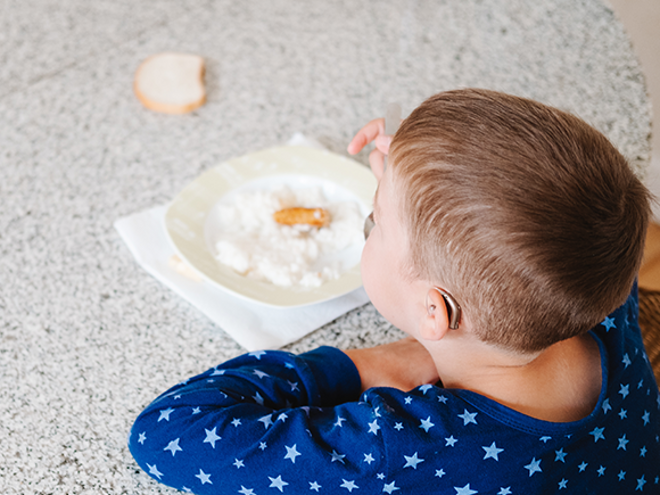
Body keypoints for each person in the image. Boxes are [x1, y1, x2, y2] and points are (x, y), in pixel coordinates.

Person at [128, 89, 659, 494]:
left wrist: (363, 366)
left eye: (374, 220)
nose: (370, 220)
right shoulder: (604, 299)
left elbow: (166, 432)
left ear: (435, 311)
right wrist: (417, 183)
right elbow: (551, 218)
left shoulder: (399, 445)